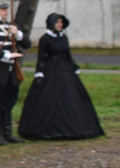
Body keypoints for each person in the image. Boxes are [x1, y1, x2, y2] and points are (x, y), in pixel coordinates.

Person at [18, 13, 105, 141]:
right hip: (50, 71)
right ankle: (47, 130)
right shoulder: (45, 39)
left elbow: (68, 54)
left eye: (61, 22)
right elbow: (41, 58)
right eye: (57, 22)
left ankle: (74, 127)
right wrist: (39, 72)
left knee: (71, 98)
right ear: (51, 23)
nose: (60, 24)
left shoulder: (64, 37)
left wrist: (73, 66)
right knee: (49, 99)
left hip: (66, 70)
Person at [0, 0, 30, 145]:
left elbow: (27, 44)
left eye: (6, 8)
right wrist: (7, 54)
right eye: (2, 9)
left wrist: (19, 34)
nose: (5, 11)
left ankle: (9, 132)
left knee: (10, 101)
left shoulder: (11, 26)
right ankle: (0, 134)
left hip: (12, 72)